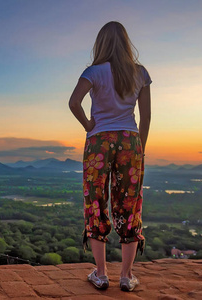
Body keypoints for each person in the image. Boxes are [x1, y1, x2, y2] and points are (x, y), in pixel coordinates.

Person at [68, 21, 151, 292]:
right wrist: (141, 147)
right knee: (129, 204)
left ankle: (101, 274)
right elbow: (146, 116)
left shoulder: (93, 72)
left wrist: (88, 125)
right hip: (130, 141)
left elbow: (73, 103)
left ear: (101, 43)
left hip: (99, 141)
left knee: (96, 201)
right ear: (126, 43)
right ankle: (126, 276)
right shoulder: (139, 73)